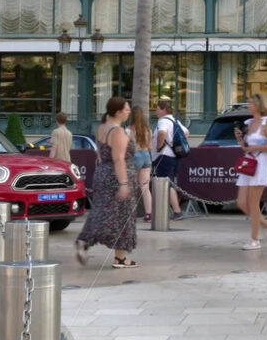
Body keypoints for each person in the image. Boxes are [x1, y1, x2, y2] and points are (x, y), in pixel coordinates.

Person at [76, 96, 139, 268]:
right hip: (116, 177)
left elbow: (99, 154)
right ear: (118, 112)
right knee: (123, 217)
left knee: (101, 211)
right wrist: (123, 184)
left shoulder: (102, 127)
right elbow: (119, 159)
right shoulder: (118, 132)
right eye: (126, 109)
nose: (128, 112)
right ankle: (119, 257)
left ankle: (86, 241)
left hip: (102, 174)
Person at [233, 94, 267, 250]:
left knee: (253, 204)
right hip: (248, 164)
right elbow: (245, 148)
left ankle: (255, 240)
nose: (248, 105)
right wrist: (240, 139)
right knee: (241, 203)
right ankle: (265, 224)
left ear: (259, 105)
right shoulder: (249, 123)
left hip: (260, 165)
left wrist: (255, 147)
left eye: (251, 103)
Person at [151, 99, 189, 220]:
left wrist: (159, 146)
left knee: (166, 184)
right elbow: (186, 133)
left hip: (164, 157)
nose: (156, 111)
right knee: (169, 182)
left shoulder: (163, 121)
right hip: (173, 156)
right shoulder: (175, 121)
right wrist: (174, 143)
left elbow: (162, 133)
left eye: (157, 109)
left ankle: (177, 211)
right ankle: (172, 210)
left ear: (163, 110)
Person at [129, 105, 152, 222]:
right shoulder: (147, 129)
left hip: (136, 155)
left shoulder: (129, 129)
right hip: (146, 155)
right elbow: (150, 147)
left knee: (132, 187)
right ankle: (149, 214)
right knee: (145, 188)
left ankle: (130, 213)